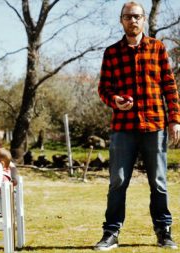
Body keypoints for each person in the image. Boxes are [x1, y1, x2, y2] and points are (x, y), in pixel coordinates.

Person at [95, 1, 180, 250]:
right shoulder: (112, 53)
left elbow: (170, 88)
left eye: (137, 16)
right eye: (128, 17)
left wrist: (175, 120)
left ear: (143, 20)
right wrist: (115, 100)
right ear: (121, 20)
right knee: (118, 182)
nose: (133, 21)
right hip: (123, 127)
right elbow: (104, 88)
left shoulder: (158, 48)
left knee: (159, 182)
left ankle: (164, 231)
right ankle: (111, 233)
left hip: (155, 125)